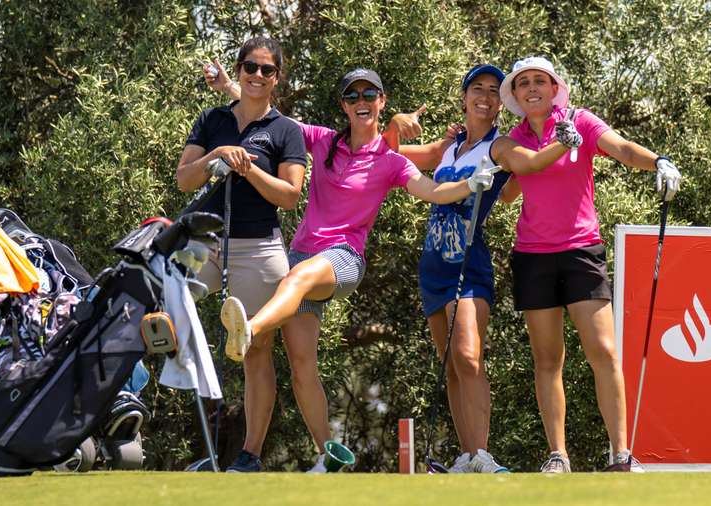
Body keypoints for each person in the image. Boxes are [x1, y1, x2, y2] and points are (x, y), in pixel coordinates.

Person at [205, 65, 499, 472]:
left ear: (382, 102)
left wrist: (471, 184)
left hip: (343, 259)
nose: (361, 102)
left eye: (369, 95)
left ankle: (251, 328)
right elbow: (271, 116)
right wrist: (228, 87)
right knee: (301, 365)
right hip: (302, 255)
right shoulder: (323, 141)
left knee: (298, 278)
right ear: (343, 105)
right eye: (352, 96)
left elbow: (432, 191)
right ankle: (330, 456)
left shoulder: (391, 161)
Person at [386, 64, 581, 473]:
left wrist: (562, 145)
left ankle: (482, 455)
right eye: (478, 88)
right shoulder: (448, 146)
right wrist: (394, 124)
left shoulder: (500, 147)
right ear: (464, 96)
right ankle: (466, 455)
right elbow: (382, 155)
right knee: (451, 363)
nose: (486, 97)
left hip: (468, 263)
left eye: (494, 91)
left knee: (469, 356)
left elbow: (528, 164)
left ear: (500, 104)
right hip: (433, 265)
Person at [499, 56, 681, 473]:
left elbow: (620, 148)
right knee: (548, 359)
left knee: (603, 350)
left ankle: (621, 454)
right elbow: (509, 191)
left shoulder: (579, 122)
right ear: (516, 94)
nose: (531, 88)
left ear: (553, 87)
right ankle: (558, 456)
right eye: (523, 83)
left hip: (582, 251)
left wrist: (657, 160)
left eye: (539, 81)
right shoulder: (515, 138)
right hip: (533, 255)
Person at [178, 36, 307, 472]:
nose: (257, 76)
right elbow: (184, 181)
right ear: (239, 70)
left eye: (267, 70)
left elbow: (290, 196)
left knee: (256, 347)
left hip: (260, 248)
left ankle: (249, 456)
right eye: (250, 67)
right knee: (170, 304)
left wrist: (249, 168)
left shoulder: (286, 130)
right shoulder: (212, 120)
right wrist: (217, 154)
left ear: (277, 77)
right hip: (207, 241)